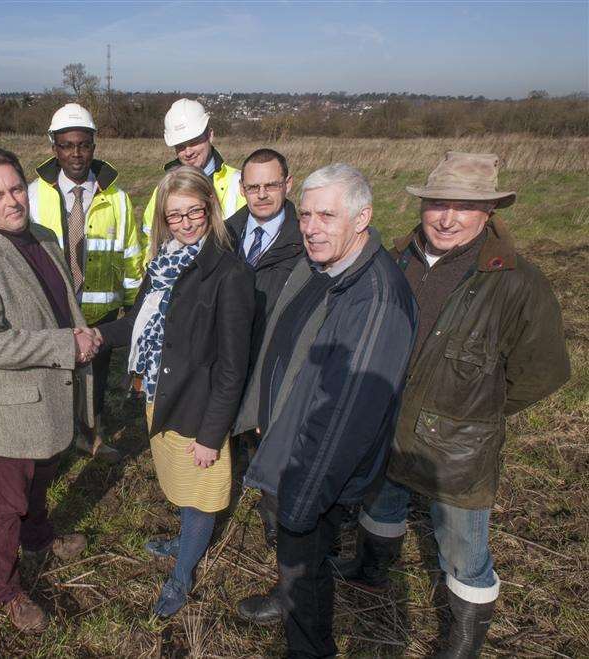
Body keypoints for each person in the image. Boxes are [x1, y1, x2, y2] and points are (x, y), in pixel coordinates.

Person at [332, 152, 570, 658]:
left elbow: (543, 372)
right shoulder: (395, 259)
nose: (446, 218)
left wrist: (474, 411)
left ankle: (463, 641)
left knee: (464, 549)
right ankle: (371, 570)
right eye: (437, 204)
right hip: (386, 422)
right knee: (381, 503)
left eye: (463, 207)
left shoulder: (517, 282)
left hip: (460, 446)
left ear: (489, 213)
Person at [232, 164, 417, 658]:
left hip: (310, 476)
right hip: (294, 457)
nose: (311, 227)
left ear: (363, 218)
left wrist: (300, 500)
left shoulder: (374, 299)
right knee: (300, 571)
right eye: (307, 214)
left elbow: (346, 419)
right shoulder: (329, 270)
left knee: (307, 581)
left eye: (327, 216)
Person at [92, 166, 256, 618]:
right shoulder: (163, 261)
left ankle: (182, 576)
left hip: (197, 406)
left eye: (194, 213)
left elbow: (231, 367)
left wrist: (211, 434)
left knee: (201, 493)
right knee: (181, 484)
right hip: (160, 393)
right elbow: (143, 322)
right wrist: (97, 335)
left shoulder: (229, 273)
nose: (185, 223)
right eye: (175, 214)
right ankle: (184, 540)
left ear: (211, 209)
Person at [0, 148, 93, 633]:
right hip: (15, 408)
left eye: (16, 189)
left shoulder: (47, 238)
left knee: (41, 481)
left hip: (56, 392)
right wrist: (65, 345)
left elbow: (62, 305)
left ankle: (39, 537)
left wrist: (77, 342)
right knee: (6, 505)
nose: (12, 201)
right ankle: (6, 589)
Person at [28, 102, 147, 462]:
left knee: (94, 379)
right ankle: (54, 442)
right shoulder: (33, 195)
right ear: (54, 148)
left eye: (83, 145)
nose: (76, 154)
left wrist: (131, 307)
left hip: (102, 310)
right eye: (66, 145)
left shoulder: (118, 198)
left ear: (94, 146)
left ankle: (92, 436)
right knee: (55, 379)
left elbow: (130, 253)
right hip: (53, 308)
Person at [225, 148, 306, 543]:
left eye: (271, 185)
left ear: (288, 185)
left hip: (279, 361)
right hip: (232, 355)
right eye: (253, 187)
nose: (262, 195)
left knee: (275, 440)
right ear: (241, 189)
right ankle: (217, 500)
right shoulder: (225, 233)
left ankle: (275, 515)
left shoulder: (305, 240)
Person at [141, 98, 245, 236]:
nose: (188, 152)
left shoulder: (238, 184)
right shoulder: (164, 189)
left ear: (210, 135)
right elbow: (150, 238)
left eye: (194, 142)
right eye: (180, 146)